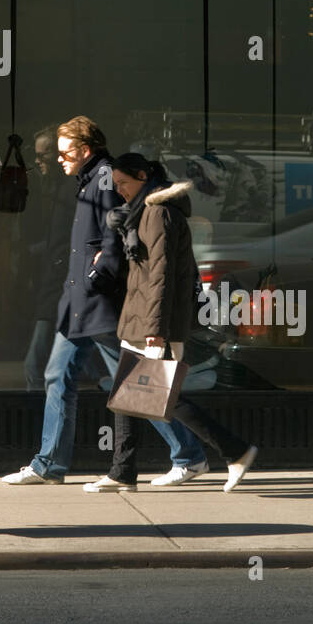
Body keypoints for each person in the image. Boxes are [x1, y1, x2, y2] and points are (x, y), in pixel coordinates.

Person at [2, 117, 208, 485]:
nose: (61, 159)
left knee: (137, 383)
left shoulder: (105, 178)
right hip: (80, 302)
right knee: (59, 376)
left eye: (65, 152)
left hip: (100, 304)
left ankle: (189, 454)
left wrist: (99, 276)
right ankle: (49, 464)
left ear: (84, 150)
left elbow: (120, 229)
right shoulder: (86, 181)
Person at [87, 152, 257, 494]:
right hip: (140, 317)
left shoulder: (157, 213)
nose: (119, 190)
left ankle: (235, 451)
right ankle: (122, 472)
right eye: (116, 184)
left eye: (123, 183)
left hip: (153, 323)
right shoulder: (142, 213)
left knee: (164, 396)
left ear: (142, 176)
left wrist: (155, 330)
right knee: (126, 396)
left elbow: (160, 276)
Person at [22, 125, 79, 390]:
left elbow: (67, 236)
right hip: (55, 275)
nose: (37, 161)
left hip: (60, 278)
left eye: (44, 155)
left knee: (40, 358)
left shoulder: (69, 191)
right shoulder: (56, 191)